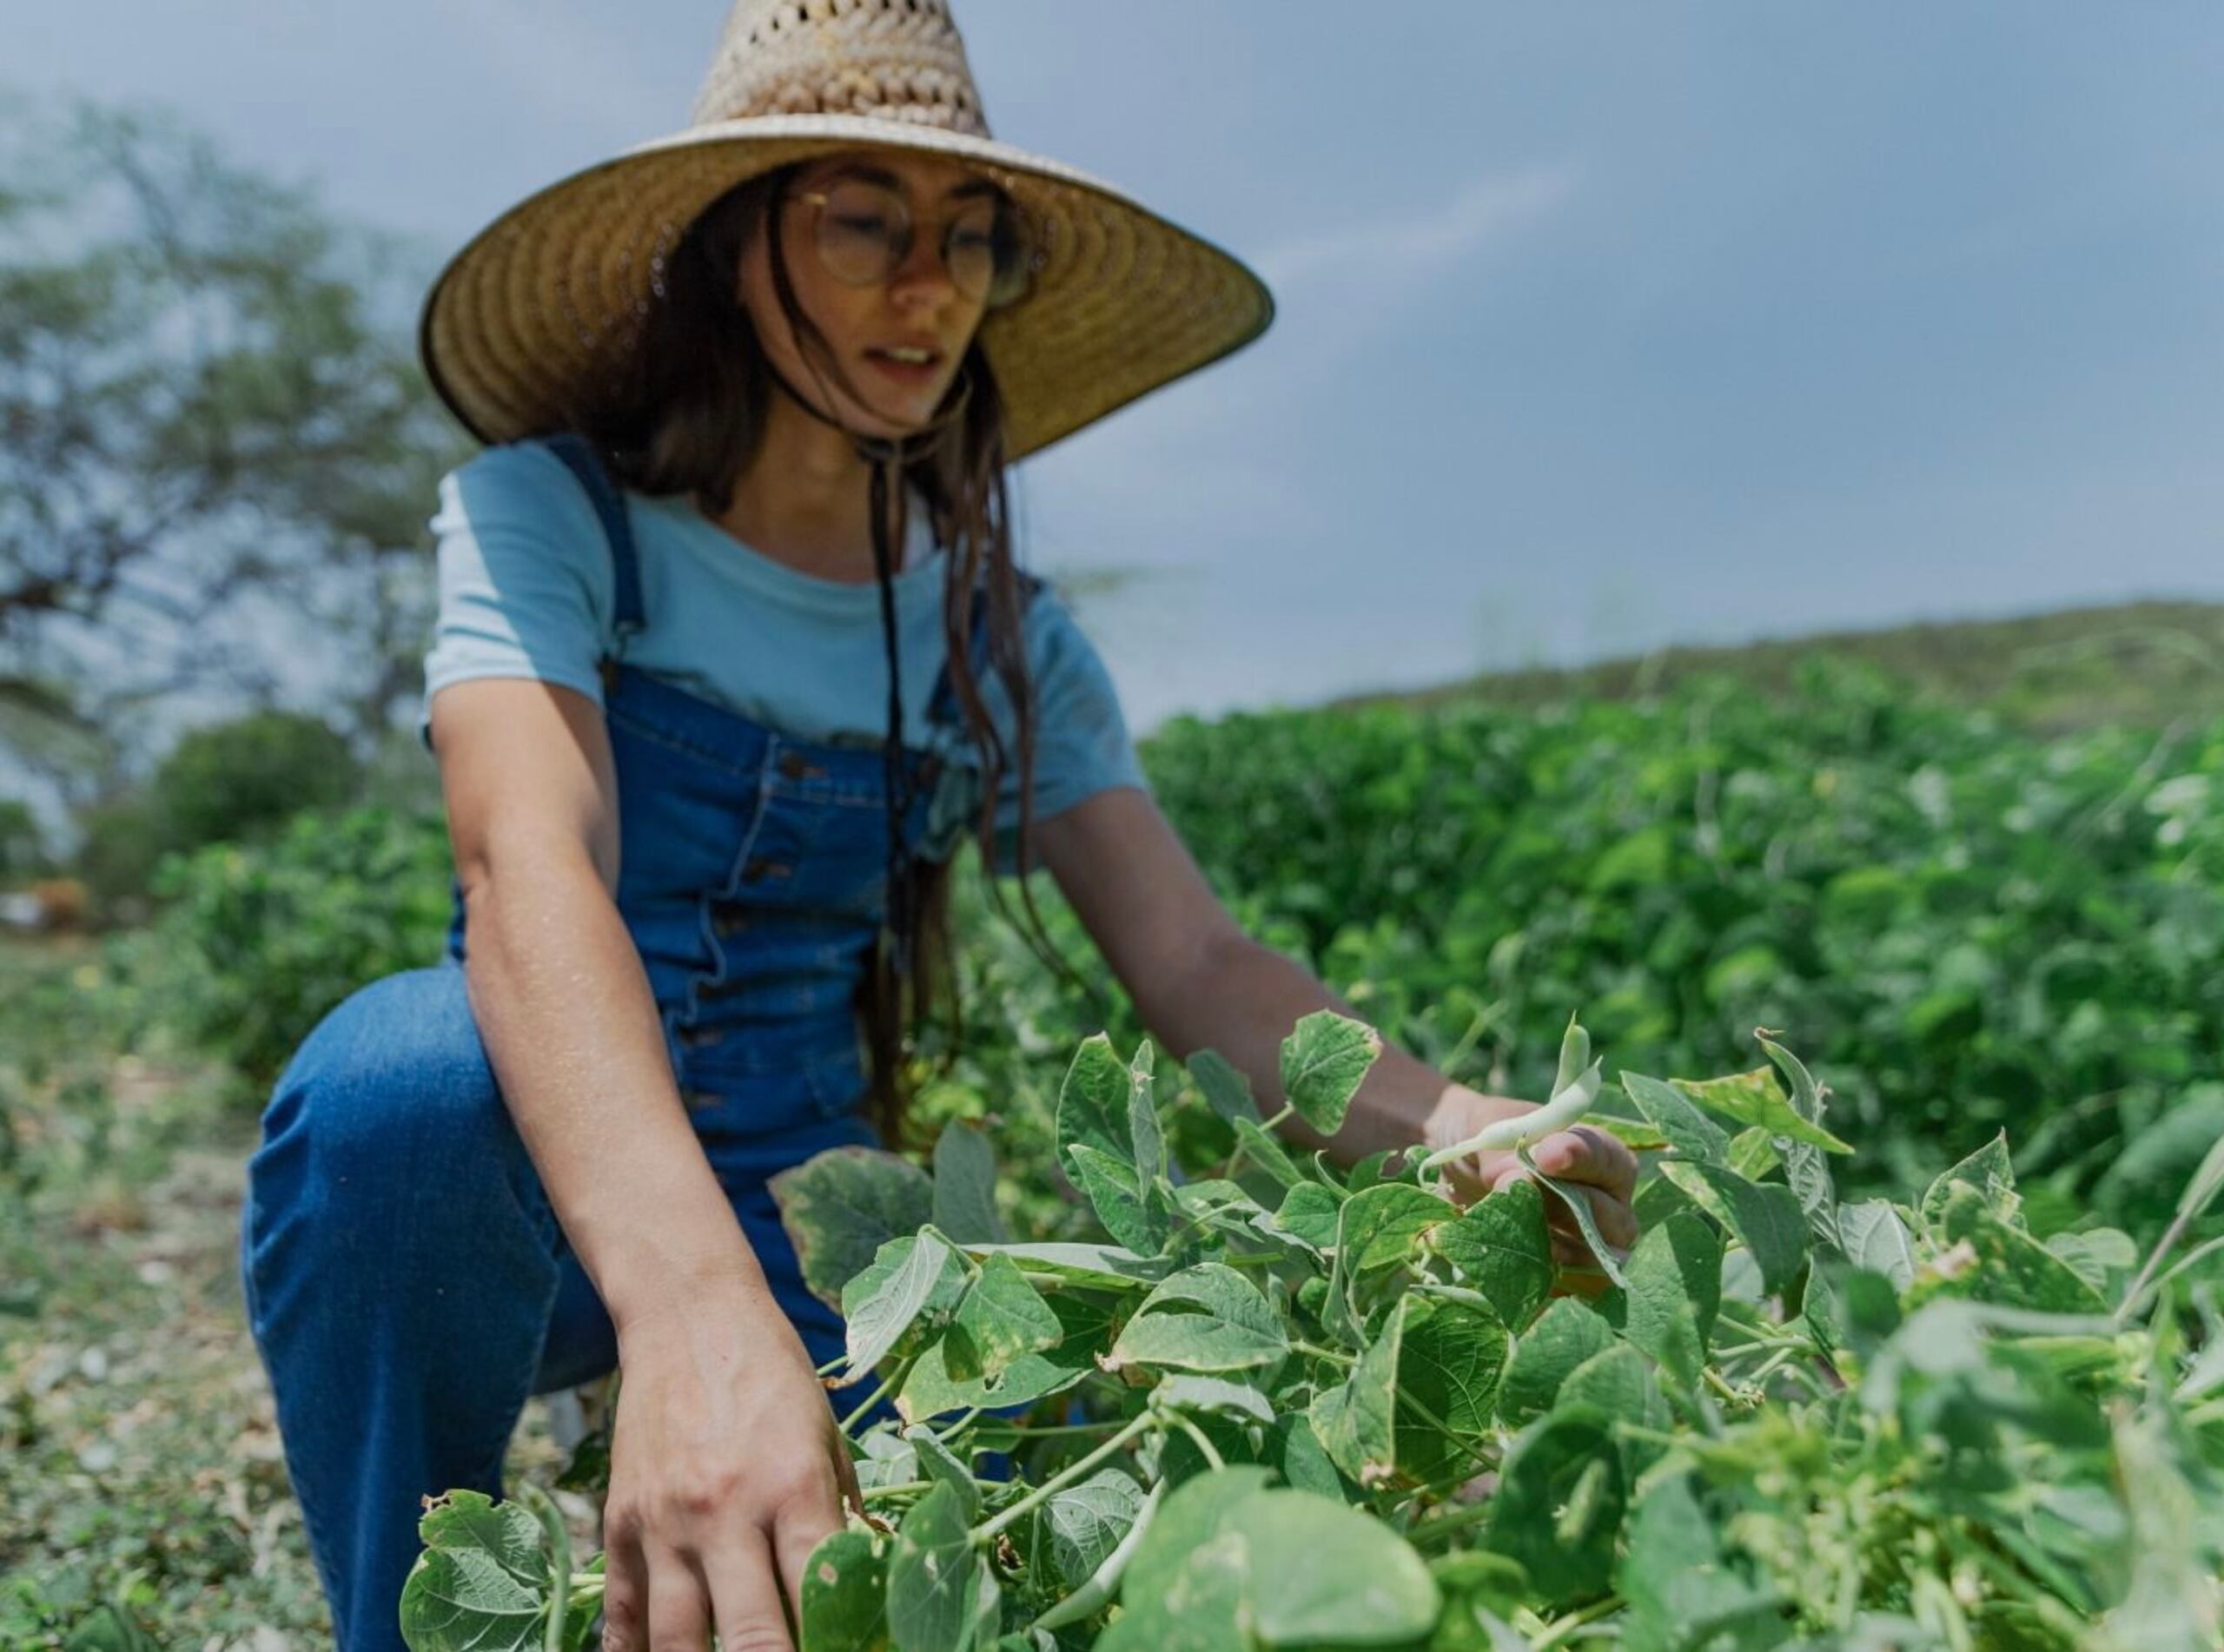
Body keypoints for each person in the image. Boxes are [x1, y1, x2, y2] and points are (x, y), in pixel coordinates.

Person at [237, 3, 1641, 1649]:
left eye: (973, 239)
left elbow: (1192, 954)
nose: (932, 287)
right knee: (397, 1087)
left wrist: (1457, 1128)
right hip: (541, 1190)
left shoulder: (998, 630)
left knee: (1043, 1508)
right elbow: (526, 866)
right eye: (865, 220)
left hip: (837, 1231)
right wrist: (693, 1313)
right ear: (733, 248)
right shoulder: (553, 515)